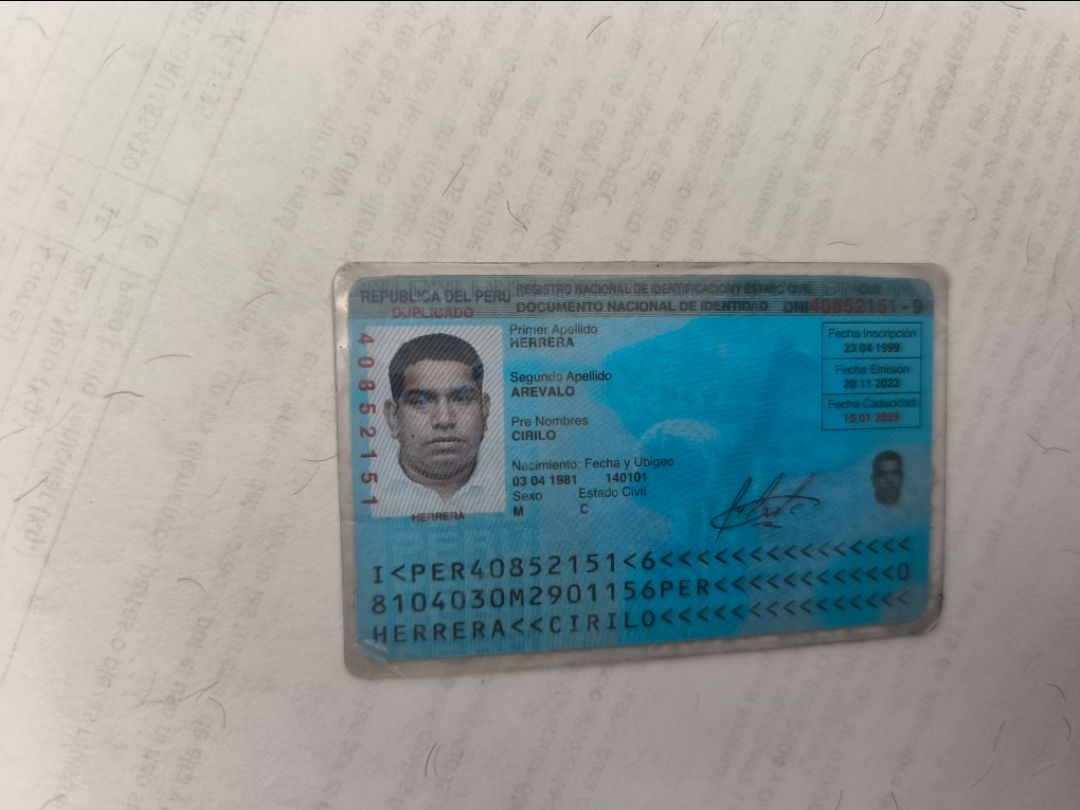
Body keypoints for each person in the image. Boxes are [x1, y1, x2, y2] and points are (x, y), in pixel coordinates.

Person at [381, 333, 494, 511]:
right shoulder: (369, 493)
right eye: (420, 401)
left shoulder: (506, 485)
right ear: (393, 417)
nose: (444, 420)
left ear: (485, 410)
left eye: (461, 399)